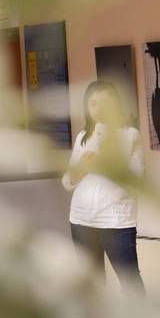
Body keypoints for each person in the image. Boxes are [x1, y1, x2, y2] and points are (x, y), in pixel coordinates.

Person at [63, 81, 146, 291]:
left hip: (116, 220)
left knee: (130, 282)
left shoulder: (129, 135)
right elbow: (68, 182)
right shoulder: (82, 137)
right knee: (92, 284)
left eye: (105, 104)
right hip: (81, 219)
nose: (98, 110)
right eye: (93, 104)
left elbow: (137, 180)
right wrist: (83, 167)